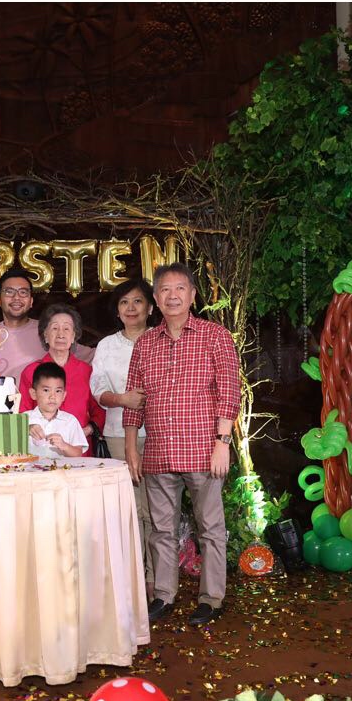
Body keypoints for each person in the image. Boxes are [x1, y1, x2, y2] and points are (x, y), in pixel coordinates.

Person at [123, 262, 240, 627]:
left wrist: (223, 442)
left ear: (191, 295)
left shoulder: (214, 336)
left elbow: (229, 392)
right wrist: (131, 448)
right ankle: (164, 595)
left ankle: (211, 599)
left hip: (204, 451)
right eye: (165, 290)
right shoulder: (145, 343)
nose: (172, 296)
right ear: (156, 299)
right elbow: (134, 399)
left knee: (210, 528)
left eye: (179, 289)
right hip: (158, 453)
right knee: (161, 530)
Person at [90, 276, 156, 593]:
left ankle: (156, 578)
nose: (131, 308)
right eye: (124, 302)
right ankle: (134, 578)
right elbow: (98, 390)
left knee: (155, 508)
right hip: (119, 435)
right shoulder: (107, 346)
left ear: (151, 307)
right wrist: (123, 399)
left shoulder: (161, 340)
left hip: (160, 434)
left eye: (138, 301)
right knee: (131, 507)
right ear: (117, 311)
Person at [18, 303, 104, 455]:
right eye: (54, 328)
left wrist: (87, 430)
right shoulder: (31, 371)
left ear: (74, 336)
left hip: (79, 452)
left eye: (66, 329)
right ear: (45, 335)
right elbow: (21, 412)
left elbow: (99, 410)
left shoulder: (86, 371)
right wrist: (29, 427)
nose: (60, 334)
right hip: (40, 451)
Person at [0, 267, 94, 380]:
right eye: (9, 292)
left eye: (23, 292)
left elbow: (94, 356)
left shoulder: (48, 329)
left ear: (31, 301)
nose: (17, 297)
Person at [26, 362, 88, 459]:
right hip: (31, 469)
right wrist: (26, 429)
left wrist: (64, 446)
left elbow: (78, 453)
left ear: (64, 395)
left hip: (63, 468)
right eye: (46, 390)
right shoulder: (24, 419)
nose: (52, 396)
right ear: (33, 393)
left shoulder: (70, 421)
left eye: (58, 391)